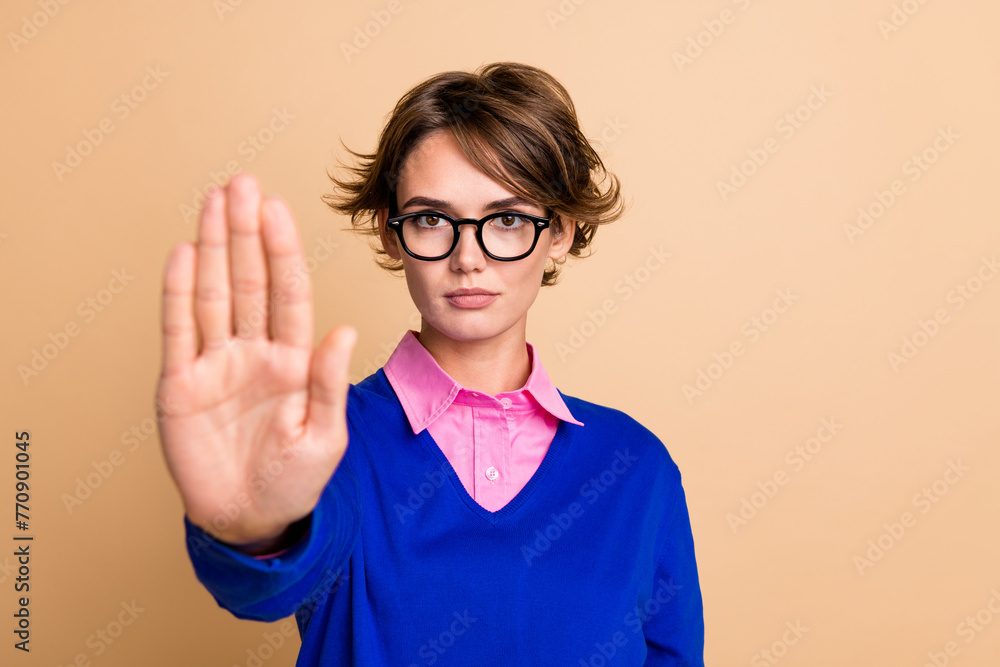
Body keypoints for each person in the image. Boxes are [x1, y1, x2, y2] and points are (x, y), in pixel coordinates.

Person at [156, 61, 705, 665]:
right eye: (430, 219)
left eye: (507, 219)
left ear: (561, 232)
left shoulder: (636, 467)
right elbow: (266, 587)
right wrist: (252, 526)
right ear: (392, 235)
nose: (468, 257)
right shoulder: (320, 437)